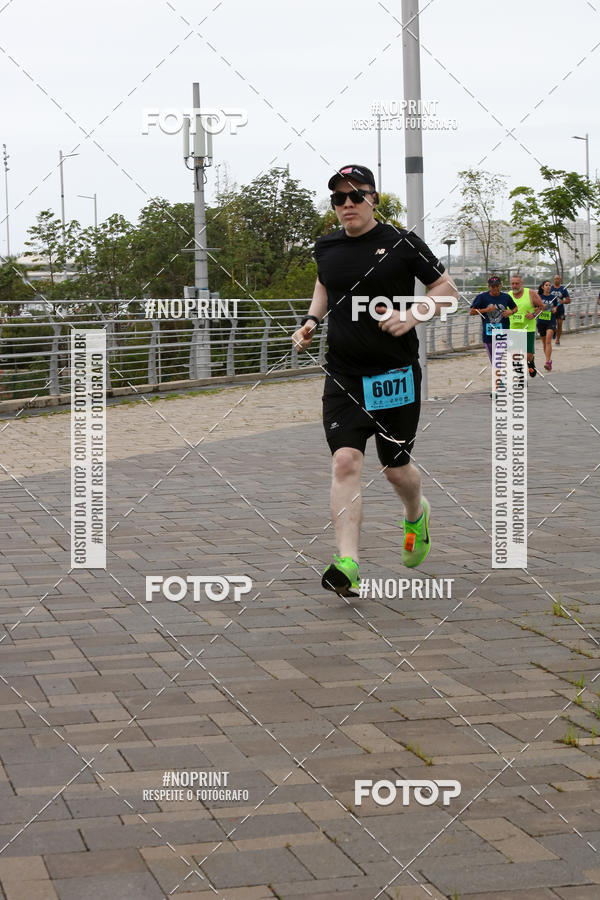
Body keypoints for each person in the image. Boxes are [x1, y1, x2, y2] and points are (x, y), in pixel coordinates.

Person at [291, 163, 458, 597]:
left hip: (394, 375)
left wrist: (413, 313)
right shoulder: (326, 246)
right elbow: (325, 285)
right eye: (338, 198)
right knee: (345, 461)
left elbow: (446, 291)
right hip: (343, 374)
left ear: (373, 199)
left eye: (356, 196)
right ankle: (347, 563)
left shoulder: (401, 243)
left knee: (394, 468)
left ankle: (415, 512)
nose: (347, 204)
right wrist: (311, 321)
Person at [469, 276, 517, 391]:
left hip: (503, 332)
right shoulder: (482, 297)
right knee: (494, 360)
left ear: (500, 285)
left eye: (497, 286)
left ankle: (498, 383)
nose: (495, 289)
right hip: (488, 334)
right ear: (489, 286)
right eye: (492, 286)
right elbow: (471, 312)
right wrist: (486, 310)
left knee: (498, 358)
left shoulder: (506, 297)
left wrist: (510, 312)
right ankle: (500, 379)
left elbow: (515, 308)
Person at [508, 273, 544, 377]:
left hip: (528, 329)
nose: (514, 286)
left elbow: (542, 307)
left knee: (527, 356)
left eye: (517, 283)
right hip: (513, 328)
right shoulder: (508, 295)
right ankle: (520, 377)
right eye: (512, 283)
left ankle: (531, 361)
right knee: (515, 355)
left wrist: (533, 314)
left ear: (521, 283)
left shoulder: (530, 293)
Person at [537, 280, 558, 370]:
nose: (548, 286)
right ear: (543, 287)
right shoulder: (538, 297)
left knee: (548, 340)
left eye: (550, 285)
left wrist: (554, 309)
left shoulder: (554, 297)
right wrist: (541, 308)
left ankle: (547, 362)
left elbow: (555, 307)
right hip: (541, 321)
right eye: (546, 285)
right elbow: (535, 308)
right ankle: (549, 360)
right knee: (544, 343)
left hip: (551, 321)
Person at [549, 273, 570, 345]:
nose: (556, 280)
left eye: (557, 279)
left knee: (560, 324)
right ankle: (554, 331)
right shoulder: (550, 288)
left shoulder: (563, 289)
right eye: (555, 279)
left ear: (560, 280)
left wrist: (563, 301)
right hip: (551, 309)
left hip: (560, 309)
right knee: (551, 324)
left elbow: (568, 300)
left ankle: (557, 339)